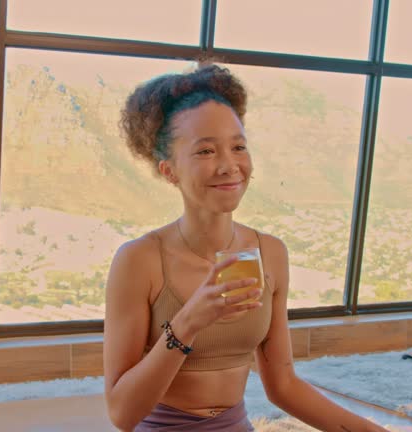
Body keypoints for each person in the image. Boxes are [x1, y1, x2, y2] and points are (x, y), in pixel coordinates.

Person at [103, 63, 389, 431]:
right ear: (169, 170)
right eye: (206, 151)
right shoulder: (139, 260)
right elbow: (121, 414)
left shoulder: (270, 253)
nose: (229, 166)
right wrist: (188, 322)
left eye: (238, 147)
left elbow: (283, 387)